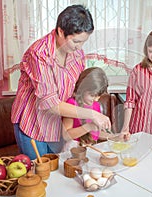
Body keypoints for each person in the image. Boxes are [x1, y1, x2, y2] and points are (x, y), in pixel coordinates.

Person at [11, 5, 111, 160]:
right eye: (76, 41)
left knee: (56, 174)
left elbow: (76, 89)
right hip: (32, 122)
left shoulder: (77, 54)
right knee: (38, 173)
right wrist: (92, 114)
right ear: (60, 31)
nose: (79, 48)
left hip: (56, 123)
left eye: (83, 42)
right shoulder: (39, 54)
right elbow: (50, 104)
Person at [62, 67, 123, 149]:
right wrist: (89, 127)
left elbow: (96, 132)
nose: (96, 99)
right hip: (73, 150)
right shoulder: (71, 104)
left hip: (90, 148)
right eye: (92, 95)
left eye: (99, 96)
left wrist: (115, 137)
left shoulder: (96, 105)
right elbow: (66, 136)